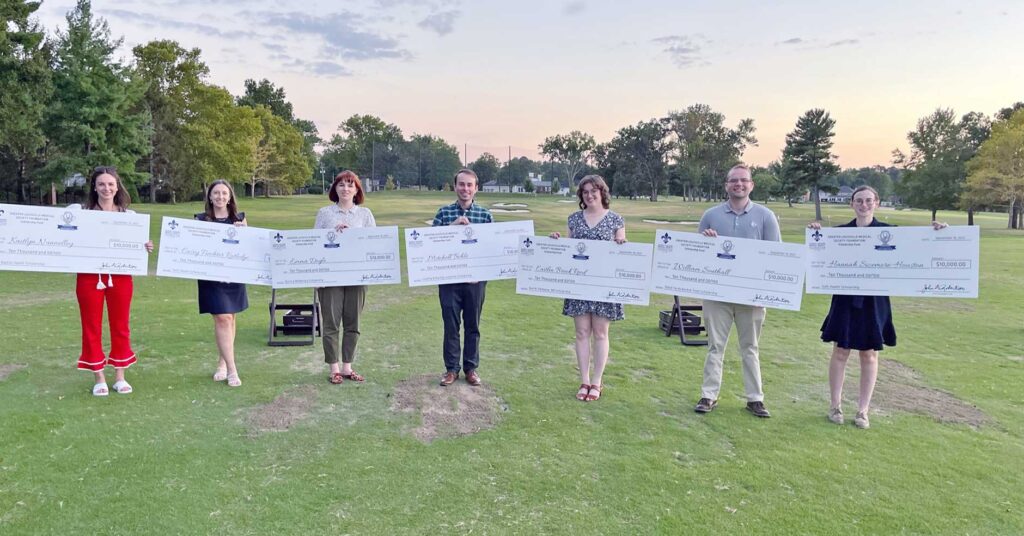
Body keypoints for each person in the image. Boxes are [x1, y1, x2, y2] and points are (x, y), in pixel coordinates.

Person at [809, 185, 947, 429]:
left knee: (869, 354)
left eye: (868, 200)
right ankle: (835, 405)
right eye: (859, 201)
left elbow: (918, 250)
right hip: (845, 298)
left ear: (877, 203)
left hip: (875, 300)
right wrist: (815, 234)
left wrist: (937, 233)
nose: (863, 205)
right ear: (852, 204)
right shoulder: (840, 234)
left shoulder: (889, 232)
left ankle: (863, 410)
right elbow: (818, 257)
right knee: (840, 351)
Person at [694, 164, 781, 418]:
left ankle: (755, 398)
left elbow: (776, 256)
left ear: (751, 185)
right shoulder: (711, 215)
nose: (738, 184)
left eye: (743, 180)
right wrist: (707, 242)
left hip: (751, 296)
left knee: (750, 347)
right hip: (717, 295)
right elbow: (696, 254)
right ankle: (709, 395)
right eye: (734, 180)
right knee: (715, 346)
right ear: (726, 185)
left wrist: (765, 292)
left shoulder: (765, 216)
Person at [70, 166, 154, 396]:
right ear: (94, 187)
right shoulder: (81, 212)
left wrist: (144, 246)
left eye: (110, 184)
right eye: (101, 184)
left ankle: (119, 376)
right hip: (89, 276)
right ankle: (99, 377)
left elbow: (135, 244)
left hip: (120, 276)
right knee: (91, 325)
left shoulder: (129, 217)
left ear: (117, 187)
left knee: (120, 324)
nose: (106, 188)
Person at [549, 175, 626, 402]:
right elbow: (569, 250)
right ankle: (584, 381)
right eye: (585, 192)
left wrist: (621, 243)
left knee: (600, 333)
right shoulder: (574, 219)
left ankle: (597, 382)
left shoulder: (615, 219)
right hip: (579, 285)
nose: (590, 195)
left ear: (602, 192)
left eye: (594, 191)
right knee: (582, 333)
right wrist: (556, 242)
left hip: (604, 284)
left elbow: (622, 248)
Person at [314, 171, 376, 385]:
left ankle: (347, 367)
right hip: (330, 276)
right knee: (331, 322)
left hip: (356, 276)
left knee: (353, 322)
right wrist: (333, 233)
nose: (345, 189)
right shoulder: (324, 213)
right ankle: (334, 368)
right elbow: (314, 243)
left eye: (350, 185)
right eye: (341, 184)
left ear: (357, 190)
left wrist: (353, 236)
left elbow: (373, 243)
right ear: (335, 188)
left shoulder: (365, 214)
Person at [433, 168, 493, 387]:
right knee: (451, 325)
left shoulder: (485, 215)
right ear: (455, 186)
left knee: (472, 325)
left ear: (476, 188)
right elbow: (431, 245)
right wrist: (452, 227)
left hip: (475, 282)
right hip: (449, 281)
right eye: (461, 184)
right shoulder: (444, 213)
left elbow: (491, 250)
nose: (465, 188)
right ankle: (451, 369)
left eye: (469, 185)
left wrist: (480, 274)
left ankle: (470, 369)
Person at [195, 180, 249, 388]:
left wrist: (245, 232)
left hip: (234, 276)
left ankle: (222, 363)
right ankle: (233, 369)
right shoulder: (200, 220)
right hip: (211, 278)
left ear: (230, 196)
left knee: (230, 318)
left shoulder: (239, 219)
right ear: (209, 196)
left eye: (224, 193)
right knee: (223, 318)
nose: (220, 197)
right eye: (216, 193)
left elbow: (249, 247)